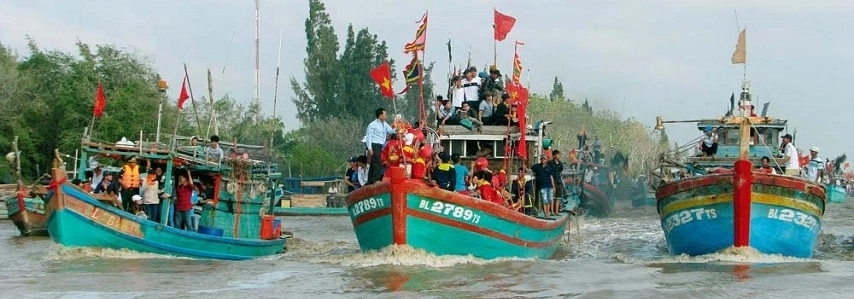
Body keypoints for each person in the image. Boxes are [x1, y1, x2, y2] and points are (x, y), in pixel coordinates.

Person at [365, 108, 396, 185]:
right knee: (378, 162)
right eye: (385, 114)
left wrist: (397, 129)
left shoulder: (384, 124)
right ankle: (375, 179)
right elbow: (369, 136)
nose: (386, 116)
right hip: (374, 144)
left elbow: (390, 130)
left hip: (381, 145)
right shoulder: (372, 125)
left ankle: (370, 180)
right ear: (380, 115)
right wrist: (369, 148)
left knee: (373, 163)